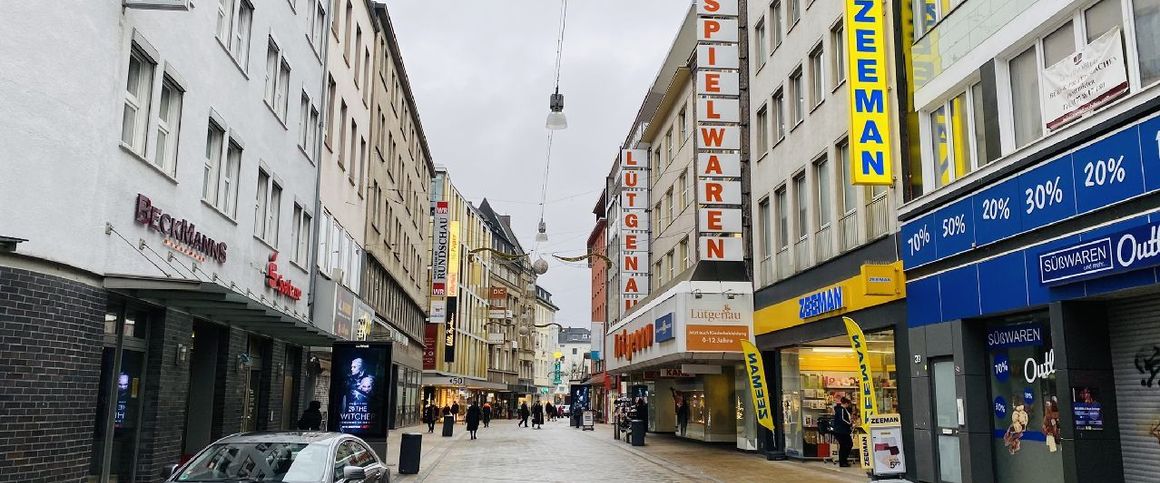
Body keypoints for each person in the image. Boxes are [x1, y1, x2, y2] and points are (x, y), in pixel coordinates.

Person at [833, 397, 854, 467]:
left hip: (842, 431)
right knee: (847, 445)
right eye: (848, 404)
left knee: (844, 446)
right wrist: (850, 424)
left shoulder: (842, 409)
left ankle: (843, 461)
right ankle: (843, 461)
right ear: (846, 403)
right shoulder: (841, 409)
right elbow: (842, 419)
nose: (848, 405)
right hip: (841, 431)